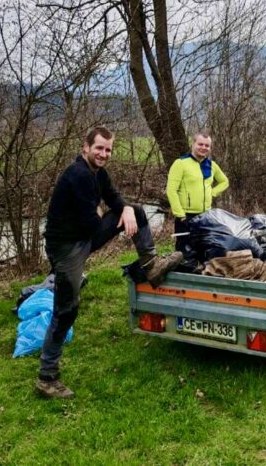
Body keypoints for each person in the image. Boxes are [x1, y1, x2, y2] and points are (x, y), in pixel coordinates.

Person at [36, 126, 183, 399]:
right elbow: (91, 224)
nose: (104, 154)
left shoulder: (98, 173)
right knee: (66, 310)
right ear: (85, 147)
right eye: (99, 148)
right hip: (67, 248)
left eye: (108, 149)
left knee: (136, 212)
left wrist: (125, 208)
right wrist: (114, 213)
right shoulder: (79, 175)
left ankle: (151, 264)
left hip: (84, 237)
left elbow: (114, 198)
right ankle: (47, 377)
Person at [166, 131, 230, 252]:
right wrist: (180, 215)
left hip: (206, 215)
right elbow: (171, 190)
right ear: (193, 144)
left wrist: (212, 192)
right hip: (186, 216)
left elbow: (224, 182)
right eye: (200, 144)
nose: (203, 148)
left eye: (207, 145)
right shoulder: (180, 163)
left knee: (204, 248)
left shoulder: (212, 165)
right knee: (184, 251)